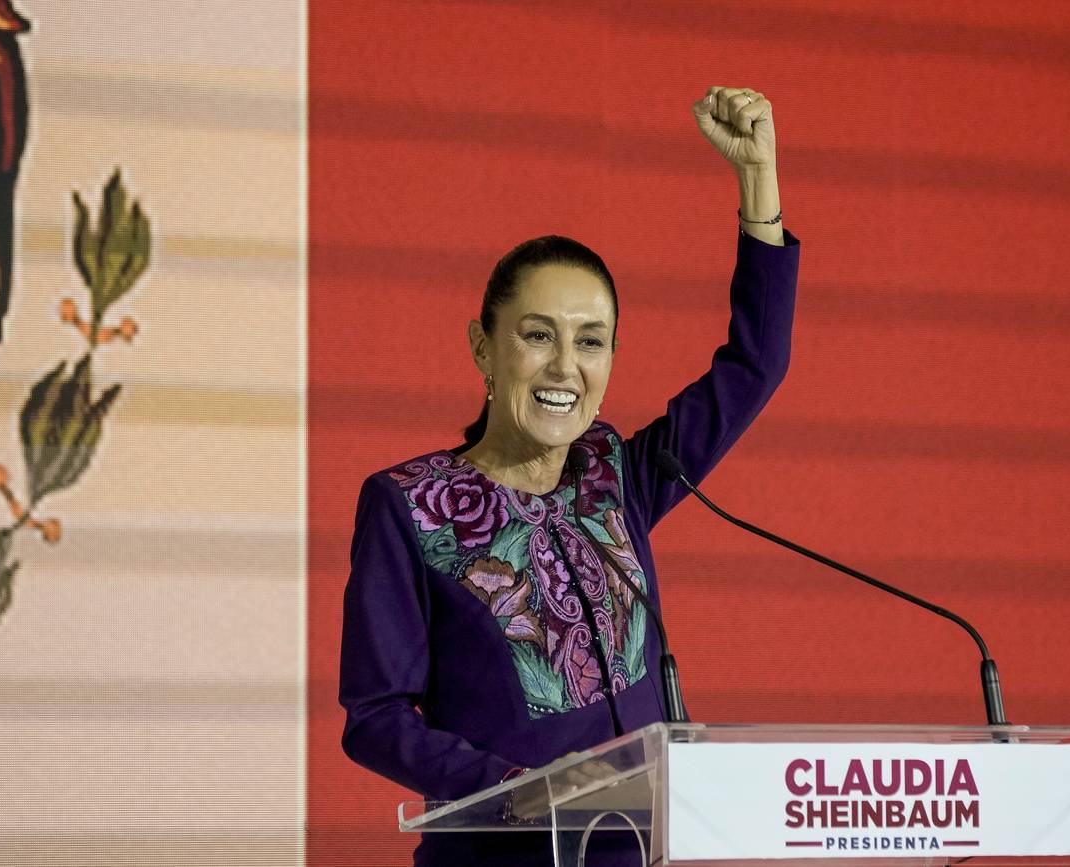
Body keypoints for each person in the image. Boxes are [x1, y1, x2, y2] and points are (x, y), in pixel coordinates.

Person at [339, 85, 801, 866]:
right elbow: (375, 716)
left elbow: (755, 366)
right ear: (483, 348)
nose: (565, 366)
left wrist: (759, 183)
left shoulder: (614, 478)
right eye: (538, 335)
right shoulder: (409, 507)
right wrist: (519, 788)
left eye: (591, 341)